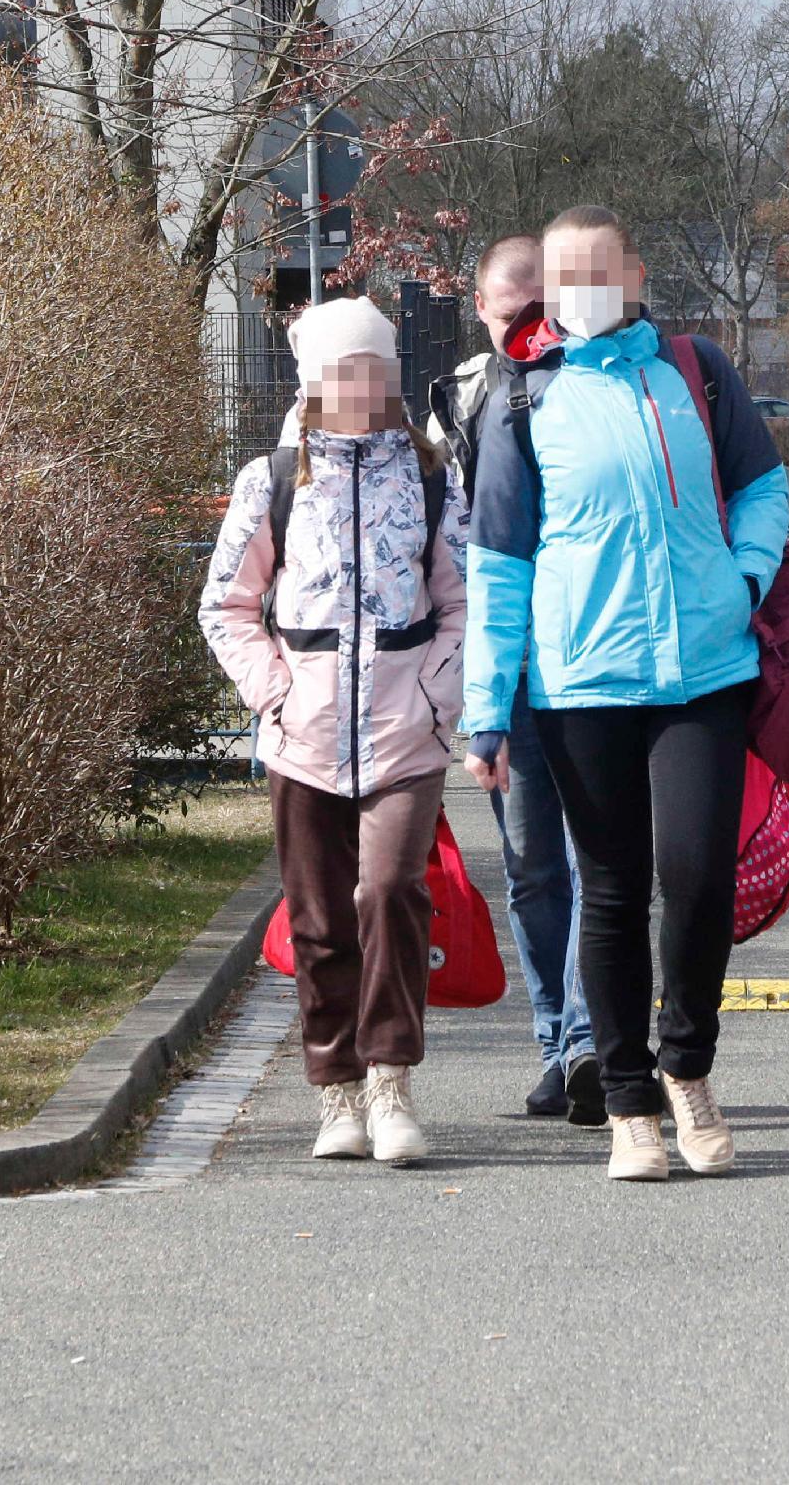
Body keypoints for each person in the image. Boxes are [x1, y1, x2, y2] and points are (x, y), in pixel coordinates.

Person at [461, 206, 788, 1182]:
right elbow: (497, 565)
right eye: (568, 277)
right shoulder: (522, 396)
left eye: (602, 270)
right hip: (582, 680)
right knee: (609, 891)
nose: (585, 290)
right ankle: (630, 1102)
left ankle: (689, 1070)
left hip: (703, 672)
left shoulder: (696, 370)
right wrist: (488, 704)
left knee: (695, 880)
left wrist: (744, 581)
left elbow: (764, 485)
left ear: (634, 271)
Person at [200, 298, 466, 1166]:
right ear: (314, 383)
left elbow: (468, 604)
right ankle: (336, 1093)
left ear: (389, 375)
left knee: (390, 892)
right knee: (319, 921)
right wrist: (272, 692)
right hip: (303, 735)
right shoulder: (271, 480)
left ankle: (390, 1083)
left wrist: (436, 692)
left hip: (405, 732)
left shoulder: (433, 478)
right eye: (341, 372)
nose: (359, 385)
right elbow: (227, 606)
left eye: (373, 370)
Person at [425, 235, 601, 1127]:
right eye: (507, 311)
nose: (524, 323)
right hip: (502, 669)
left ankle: (584, 1042)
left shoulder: (589, 384)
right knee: (534, 867)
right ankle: (552, 1041)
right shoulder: (456, 401)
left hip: (593, 658)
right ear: (482, 310)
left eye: (539, 305)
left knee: (591, 858)